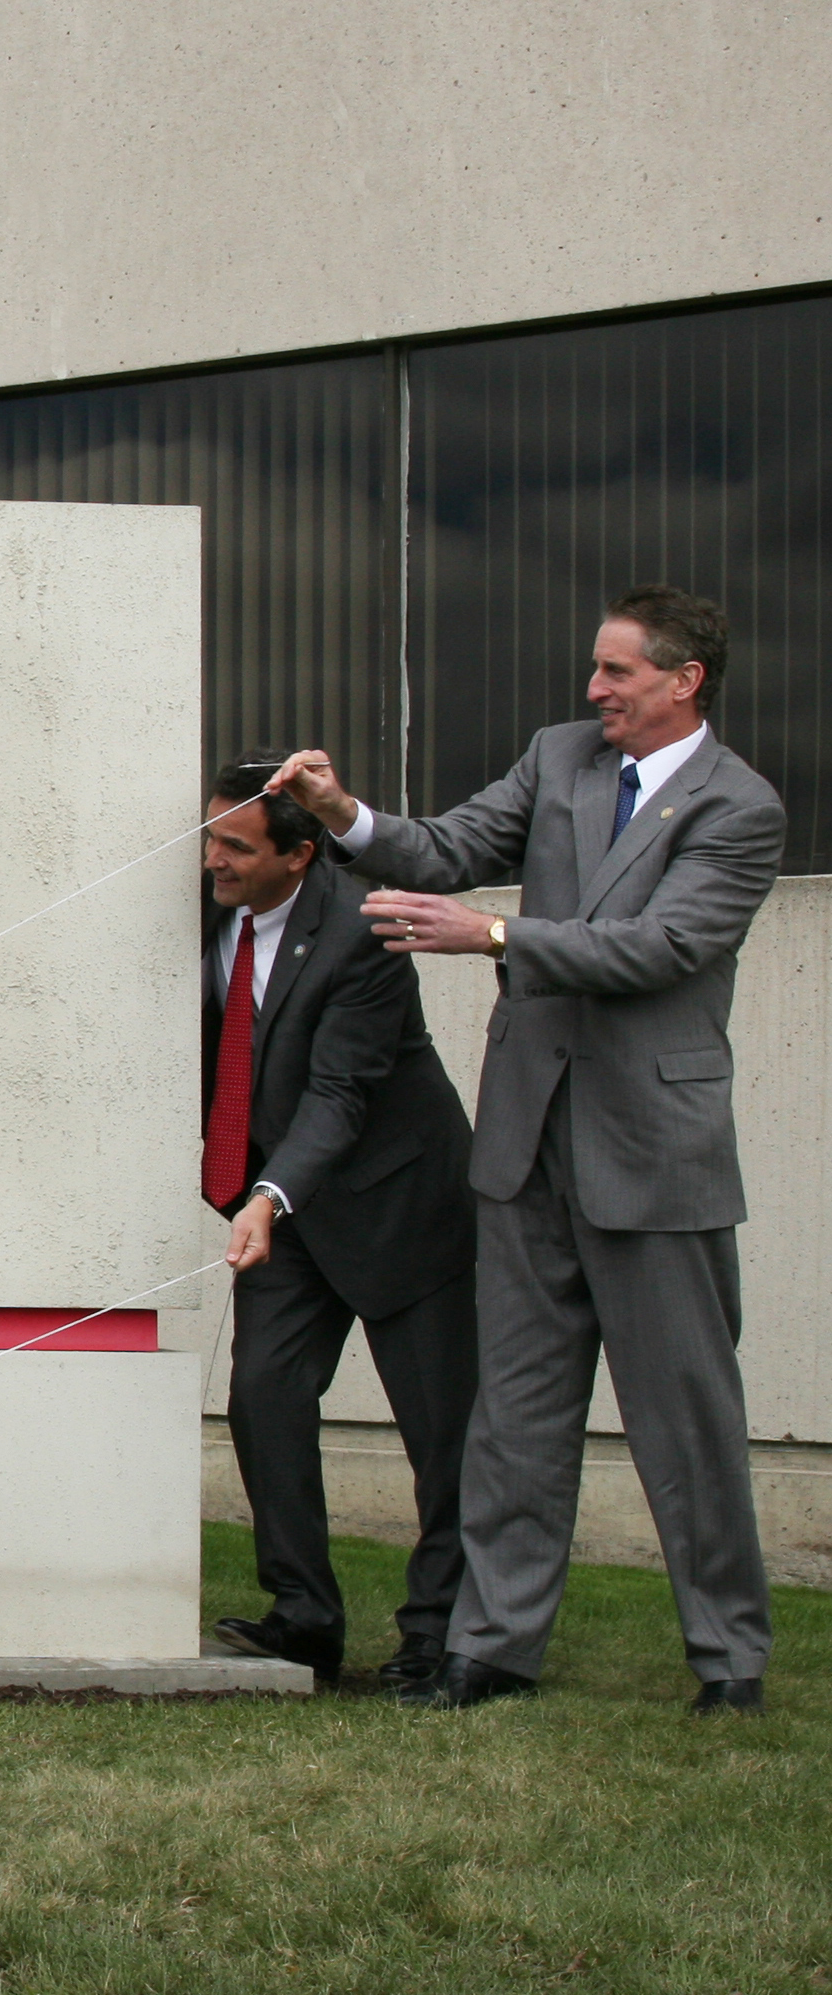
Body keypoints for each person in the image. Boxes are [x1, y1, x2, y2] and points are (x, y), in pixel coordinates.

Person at [273, 585, 780, 1715]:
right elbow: (446, 848)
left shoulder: (739, 807)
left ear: (684, 680)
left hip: (654, 1159)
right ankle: (493, 1650)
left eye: (618, 674)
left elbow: (664, 947)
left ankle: (729, 1660)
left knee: (685, 1422)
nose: (593, 691)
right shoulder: (560, 758)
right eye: (596, 672)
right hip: (523, 1150)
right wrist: (342, 810)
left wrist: (496, 934)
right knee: (515, 1416)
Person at [195, 764, 477, 1687]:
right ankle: (305, 1618)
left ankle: (436, 1634)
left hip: (399, 1207)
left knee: (442, 1433)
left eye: (236, 846)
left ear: (300, 853)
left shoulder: (364, 931)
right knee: (263, 1399)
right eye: (209, 838)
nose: (212, 861)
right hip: (283, 1211)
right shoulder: (205, 914)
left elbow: (339, 1095)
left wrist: (269, 1197)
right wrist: (268, 1197)